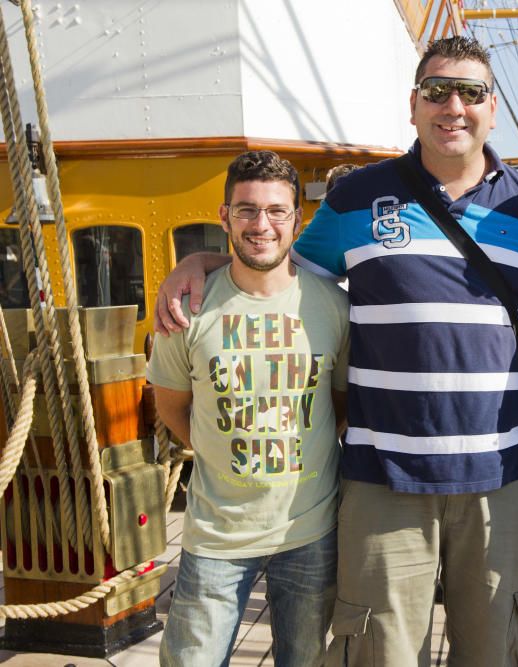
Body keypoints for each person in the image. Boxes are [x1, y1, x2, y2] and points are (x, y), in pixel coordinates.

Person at [153, 36, 518, 667]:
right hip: (384, 480)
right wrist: (201, 260)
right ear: (413, 105)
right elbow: (278, 262)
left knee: (494, 650)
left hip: (501, 477)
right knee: (380, 652)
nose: (453, 105)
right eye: (436, 91)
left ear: (493, 107)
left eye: (471, 92)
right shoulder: (356, 201)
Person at [148, 150, 350, 667]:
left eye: (277, 211)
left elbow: (340, 405)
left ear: (296, 219)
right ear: (224, 217)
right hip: (216, 535)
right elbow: (173, 407)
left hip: (308, 532)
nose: (262, 225)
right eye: (246, 210)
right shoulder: (186, 310)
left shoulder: (332, 307)